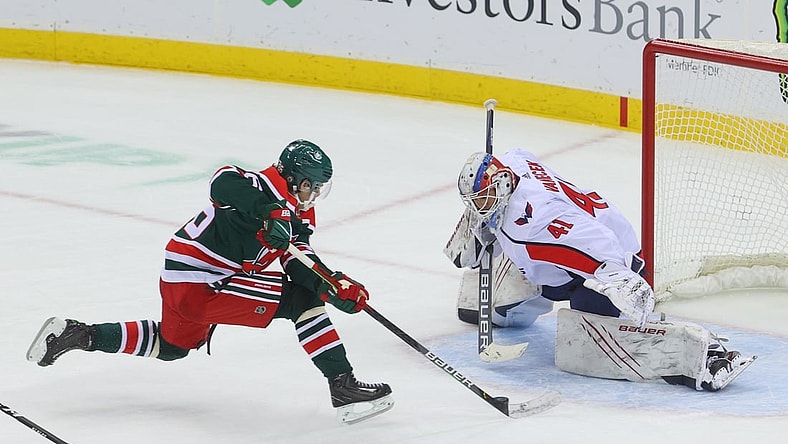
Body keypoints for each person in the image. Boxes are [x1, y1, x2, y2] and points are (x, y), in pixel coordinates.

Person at [27, 139, 393, 424]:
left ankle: (79, 335)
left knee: (172, 346)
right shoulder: (253, 185)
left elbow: (297, 260)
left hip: (185, 279)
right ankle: (342, 384)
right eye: (311, 187)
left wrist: (330, 283)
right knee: (300, 303)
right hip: (203, 282)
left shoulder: (300, 212)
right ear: (295, 178)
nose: (313, 196)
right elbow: (222, 182)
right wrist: (270, 212)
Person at [443, 149, 756, 392]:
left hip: (603, 270)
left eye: (481, 201)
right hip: (571, 257)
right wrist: (478, 224)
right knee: (484, 303)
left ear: (501, 185)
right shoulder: (515, 163)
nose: (479, 207)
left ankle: (702, 355)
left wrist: (620, 279)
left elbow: (594, 243)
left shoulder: (529, 228)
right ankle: (535, 297)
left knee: (586, 350)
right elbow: (516, 155)